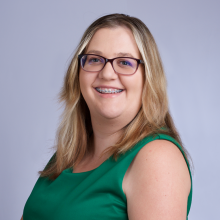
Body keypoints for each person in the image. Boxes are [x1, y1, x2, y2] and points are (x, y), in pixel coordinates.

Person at [21, 13, 193, 220]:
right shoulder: (68, 155)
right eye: (94, 59)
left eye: (125, 62)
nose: (107, 73)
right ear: (78, 74)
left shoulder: (156, 158)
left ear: (148, 78)